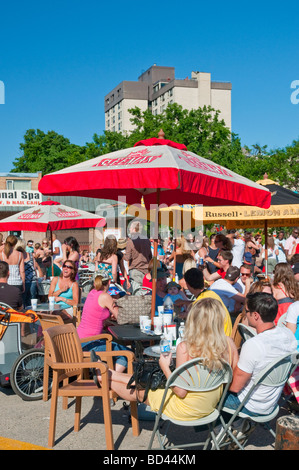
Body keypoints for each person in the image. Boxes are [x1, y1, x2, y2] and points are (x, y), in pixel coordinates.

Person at [91, 297, 239, 422]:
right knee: (148, 382)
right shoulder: (229, 344)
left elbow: (180, 392)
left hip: (185, 409)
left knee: (142, 390)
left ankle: (103, 377)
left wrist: (165, 367)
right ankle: (109, 373)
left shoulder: (186, 347)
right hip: (210, 405)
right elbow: (231, 381)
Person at [223, 292, 297, 418]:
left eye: (247, 311)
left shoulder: (253, 345)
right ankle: (238, 427)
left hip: (249, 405)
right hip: (271, 404)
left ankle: (228, 428)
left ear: (256, 315)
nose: (245, 314)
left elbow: (235, 387)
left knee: (208, 398)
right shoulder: (288, 335)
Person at [77, 274, 130, 372]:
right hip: (91, 343)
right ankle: (109, 380)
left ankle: (107, 376)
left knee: (118, 346)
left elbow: (96, 314)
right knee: (127, 353)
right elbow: (121, 317)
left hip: (81, 340)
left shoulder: (92, 293)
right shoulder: (105, 296)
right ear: (109, 282)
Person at [176, 268, 232, 336]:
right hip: (226, 336)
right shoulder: (210, 293)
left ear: (188, 285)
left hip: (219, 341)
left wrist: (185, 315)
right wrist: (184, 302)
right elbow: (198, 303)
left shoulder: (202, 302)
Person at [124, 221, 152, 292]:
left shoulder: (131, 242)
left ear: (134, 229)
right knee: (146, 293)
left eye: (130, 228)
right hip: (146, 270)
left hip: (135, 270)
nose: (129, 230)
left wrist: (121, 255)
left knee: (137, 293)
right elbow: (150, 256)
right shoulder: (147, 240)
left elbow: (127, 257)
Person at [15, 238, 42, 307]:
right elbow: (34, 269)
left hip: (23, 281)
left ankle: (26, 316)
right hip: (31, 281)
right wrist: (36, 280)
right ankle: (32, 316)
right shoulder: (29, 255)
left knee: (24, 302)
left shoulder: (17, 256)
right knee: (31, 302)